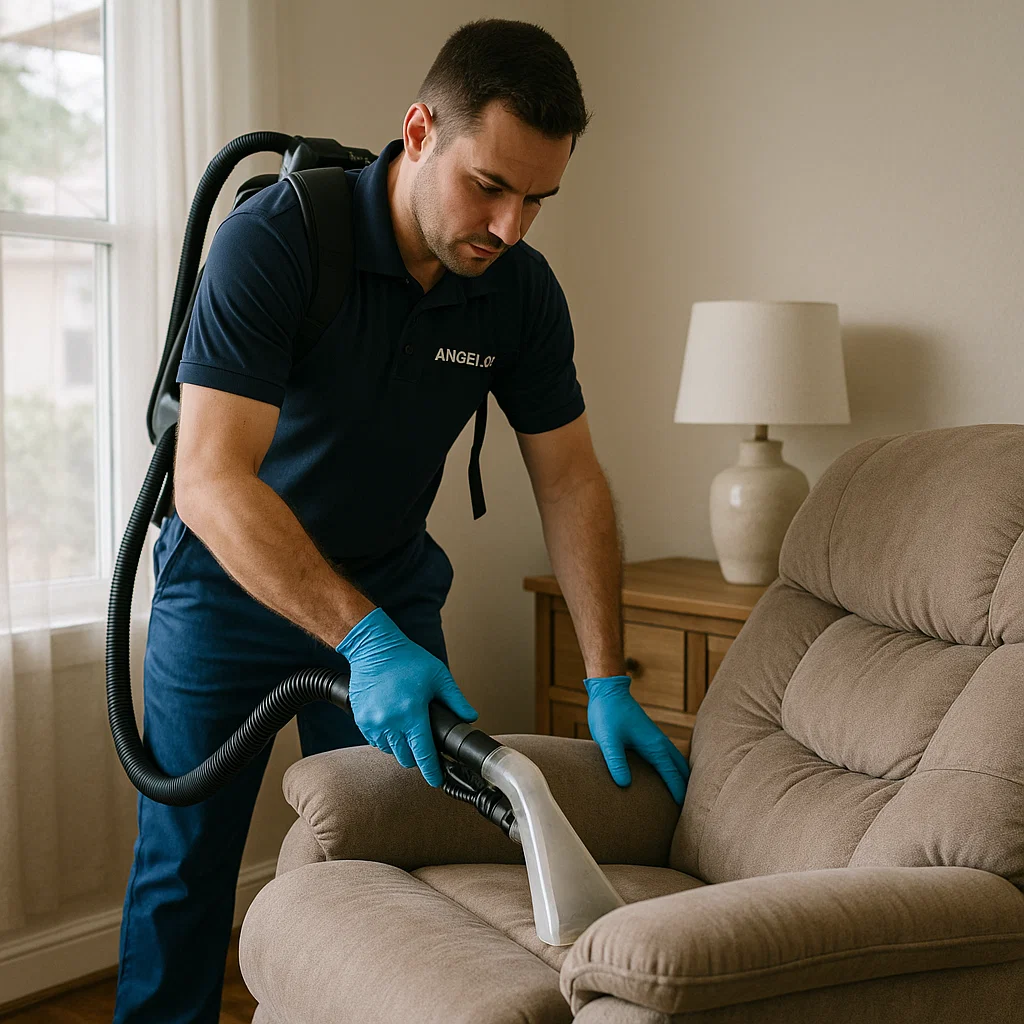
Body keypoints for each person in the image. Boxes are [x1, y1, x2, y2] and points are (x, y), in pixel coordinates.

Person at [113, 16, 690, 1023]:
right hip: (230, 591)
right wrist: (364, 635)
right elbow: (208, 480)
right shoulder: (280, 239)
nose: (510, 226)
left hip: (387, 591)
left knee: (396, 859)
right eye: (490, 186)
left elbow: (570, 480)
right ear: (419, 130)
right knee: (183, 870)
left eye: (537, 199)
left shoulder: (514, 291)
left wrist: (606, 672)